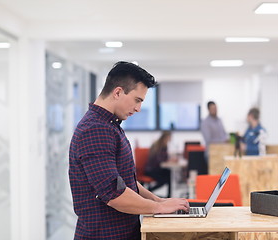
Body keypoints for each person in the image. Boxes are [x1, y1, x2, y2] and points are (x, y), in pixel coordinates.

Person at [69, 62, 189, 240]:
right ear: (117, 92)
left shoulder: (110, 126)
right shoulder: (95, 130)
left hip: (123, 231)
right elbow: (114, 195)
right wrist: (158, 208)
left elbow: (124, 182)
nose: (138, 109)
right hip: (105, 235)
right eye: (137, 100)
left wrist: (158, 200)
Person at [145, 131, 174, 198]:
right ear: (166, 137)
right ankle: (149, 191)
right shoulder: (158, 146)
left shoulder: (163, 145)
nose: (170, 139)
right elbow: (159, 160)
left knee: (168, 172)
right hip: (151, 170)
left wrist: (169, 159)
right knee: (164, 179)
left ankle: (169, 195)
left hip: (157, 168)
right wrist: (168, 160)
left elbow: (164, 158)